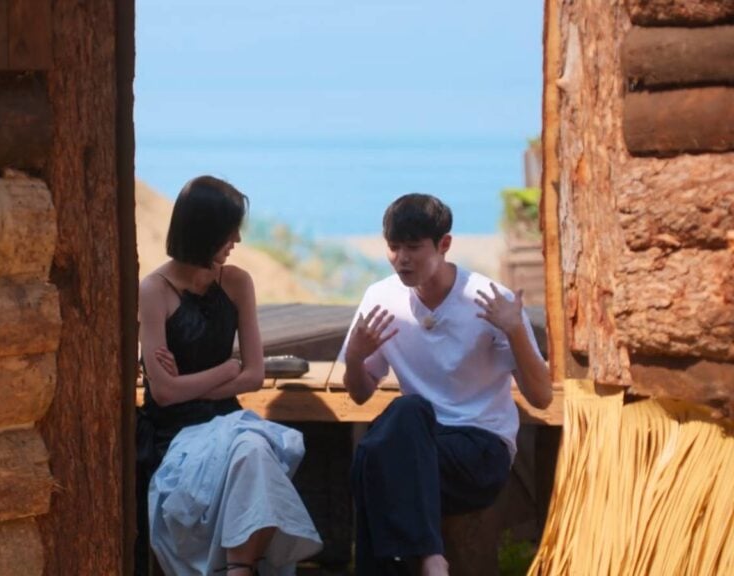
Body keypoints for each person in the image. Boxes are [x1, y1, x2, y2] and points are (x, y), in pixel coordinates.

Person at [339, 193, 552, 576]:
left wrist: (516, 330)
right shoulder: (380, 298)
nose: (402, 259)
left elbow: (541, 396)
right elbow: (359, 393)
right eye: (393, 247)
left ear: (444, 244)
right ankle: (430, 559)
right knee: (394, 431)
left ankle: (422, 555)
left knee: (383, 448)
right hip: (419, 446)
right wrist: (355, 358)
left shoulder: (489, 300)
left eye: (413, 247)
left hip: (480, 447)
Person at [136, 175, 322, 576]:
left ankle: (239, 568)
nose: (236, 238)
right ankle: (241, 568)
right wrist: (225, 369)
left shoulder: (237, 282)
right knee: (251, 454)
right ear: (204, 231)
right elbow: (164, 394)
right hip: (175, 431)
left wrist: (191, 384)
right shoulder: (154, 290)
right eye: (228, 230)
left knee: (253, 450)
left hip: (227, 420)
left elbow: (254, 375)